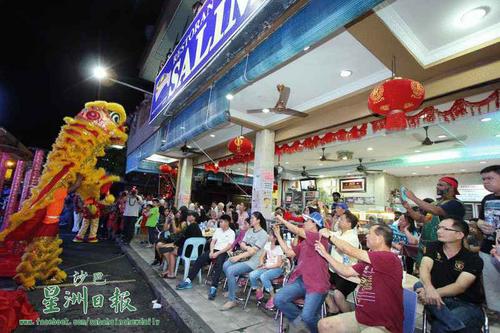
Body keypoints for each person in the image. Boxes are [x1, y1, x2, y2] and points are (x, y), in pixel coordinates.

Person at [316, 224, 403, 333]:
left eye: (369, 233)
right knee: (324, 325)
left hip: (383, 325)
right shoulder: (369, 261)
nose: (366, 236)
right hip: (362, 317)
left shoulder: (389, 258)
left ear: (379, 238)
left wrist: (330, 236)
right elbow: (346, 271)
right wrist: (325, 254)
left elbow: (348, 250)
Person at [414, 217, 484, 332]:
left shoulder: (473, 259)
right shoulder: (433, 247)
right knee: (419, 284)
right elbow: (424, 267)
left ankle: (454, 324)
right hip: (438, 302)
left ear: (459, 235)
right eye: (439, 227)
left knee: (439, 327)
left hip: (465, 304)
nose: (438, 231)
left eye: (445, 229)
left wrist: (431, 293)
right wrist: (429, 288)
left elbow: (460, 287)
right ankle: (455, 324)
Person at [274, 212, 330, 333]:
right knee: (279, 299)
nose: (304, 223)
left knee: (308, 316)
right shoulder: (305, 242)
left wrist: (283, 220)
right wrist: (278, 235)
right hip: (301, 280)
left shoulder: (319, 237)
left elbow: (298, 231)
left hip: (317, 283)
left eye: (307, 221)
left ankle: (311, 327)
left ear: (314, 224)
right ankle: (301, 323)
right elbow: (289, 253)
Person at [403, 176, 465, 265]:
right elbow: (422, 219)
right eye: (437, 185)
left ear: (451, 187)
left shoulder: (455, 204)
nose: (437, 187)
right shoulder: (435, 204)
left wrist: (413, 198)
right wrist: (408, 208)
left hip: (443, 245)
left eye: (441, 185)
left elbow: (436, 211)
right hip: (426, 243)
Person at [176, 214, 235, 300]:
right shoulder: (218, 230)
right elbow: (212, 242)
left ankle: (213, 287)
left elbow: (229, 246)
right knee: (200, 259)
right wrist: (211, 251)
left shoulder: (231, 232)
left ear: (227, 222)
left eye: (221, 222)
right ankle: (188, 280)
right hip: (214, 250)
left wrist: (217, 253)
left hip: (223, 252)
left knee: (219, 265)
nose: (220, 223)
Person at [221, 211, 267, 311]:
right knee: (225, 265)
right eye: (250, 218)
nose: (250, 220)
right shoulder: (250, 230)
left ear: (258, 220)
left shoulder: (263, 234)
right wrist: (247, 248)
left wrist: (238, 256)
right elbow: (242, 244)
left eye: (252, 218)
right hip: (244, 257)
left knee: (230, 270)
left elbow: (253, 252)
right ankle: (232, 289)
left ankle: (232, 299)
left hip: (253, 262)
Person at [323, 211, 360, 315]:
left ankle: (348, 318)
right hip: (333, 270)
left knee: (338, 295)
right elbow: (328, 233)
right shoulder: (339, 233)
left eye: (342, 219)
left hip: (347, 273)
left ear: (349, 224)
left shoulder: (352, 237)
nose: (339, 220)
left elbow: (340, 248)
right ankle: (333, 307)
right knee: (318, 283)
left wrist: (330, 237)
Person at [477, 165, 500, 314]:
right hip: (487, 249)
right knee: (491, 285)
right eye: (484, 179)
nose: (486, 182)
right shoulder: (487, 198)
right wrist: (480, 224)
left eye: (490, 178)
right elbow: (479, 219)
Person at [248, 228, 284, 310]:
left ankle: (273, 296)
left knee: (264, 276)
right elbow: (262, 256)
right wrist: (261, 263)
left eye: (270, 235)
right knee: (252, 275)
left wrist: (266, 266)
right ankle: (258, 290)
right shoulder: (267, 244)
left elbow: (278, 264)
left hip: (277, 269)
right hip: (267, 266)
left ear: (275, 238)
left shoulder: (279, 248)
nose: (268, 236)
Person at [162, 211, 202, 278]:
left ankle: (171, 273)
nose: (189, 216)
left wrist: (175, 245)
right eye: (188, 215)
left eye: (191, 215)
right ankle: (169, 270)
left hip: (188, 251)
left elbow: (184, 239)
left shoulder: (190, 227)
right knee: (170, 248)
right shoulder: (197, 227)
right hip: (197, 252)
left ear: (195, 218)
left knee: (171, 252)